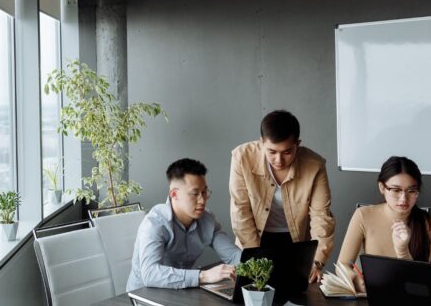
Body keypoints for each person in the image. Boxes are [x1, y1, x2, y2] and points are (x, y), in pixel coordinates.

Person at [229, 110, 335, 283]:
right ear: (261, 142)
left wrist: (316, 261)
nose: (278, 160)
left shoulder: (315, 165)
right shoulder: (242, 157)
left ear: (297, 144)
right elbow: (240, 211)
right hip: (253, 239)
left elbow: (321, 217)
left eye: (287, 152)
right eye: (271, 151)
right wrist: (254, 260)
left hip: (295, 241)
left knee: (295, 294)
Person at [126, 158, 241, 292]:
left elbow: (233, 256)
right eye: (195, 193)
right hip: (144, 295)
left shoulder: (207, 220)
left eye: (204, 192)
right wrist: (204, 275)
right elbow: (150, 274)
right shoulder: (155, 223)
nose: (202, 200)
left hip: (182, 293)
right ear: (174, 194)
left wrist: (255, 268)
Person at [336, 156, 431, 292]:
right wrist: (357, 281)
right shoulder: (363, 215)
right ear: (382, 187)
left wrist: (403, 250)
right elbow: (342, 265)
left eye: (411, 191)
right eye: (396, 190)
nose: (403, 199)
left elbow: (420, 280)